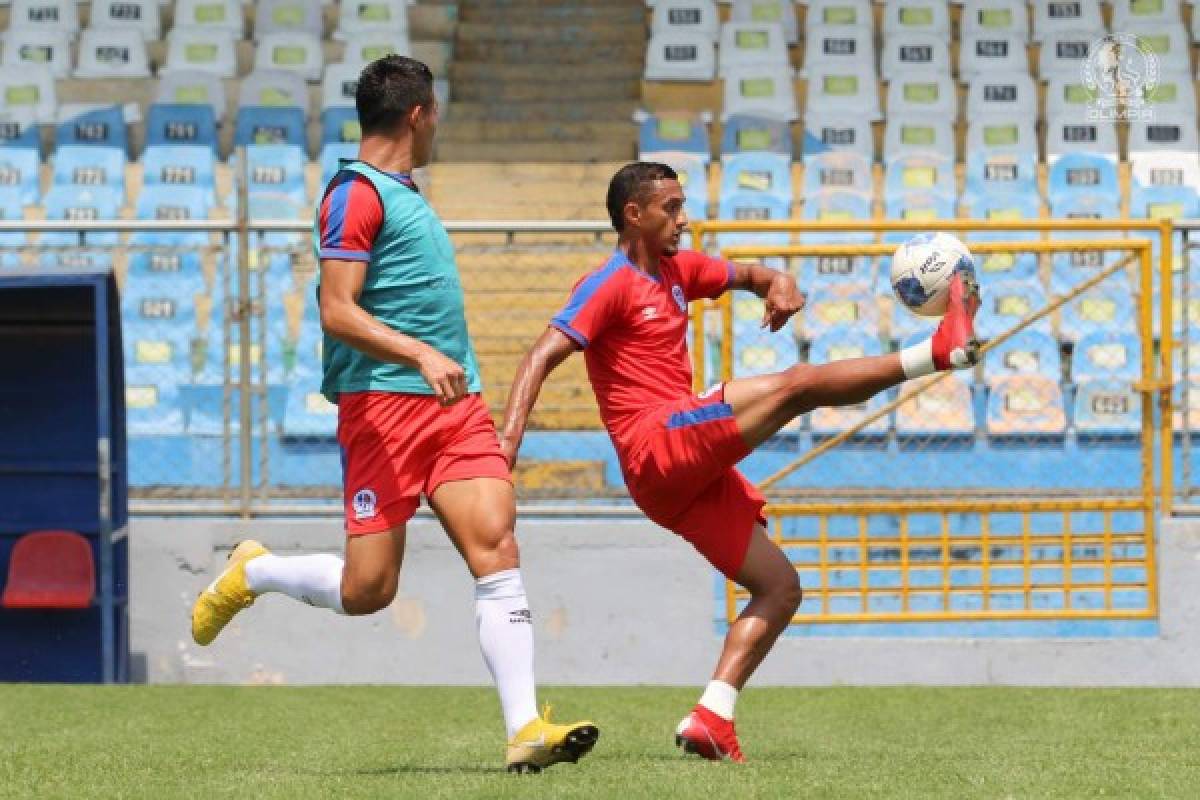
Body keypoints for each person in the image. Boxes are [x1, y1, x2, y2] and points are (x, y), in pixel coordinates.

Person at [190, 56, 598, 774]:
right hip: (384, 408)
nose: (437, 125)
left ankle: (525, 726)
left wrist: (453, 376)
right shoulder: (354, 194)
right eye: (436, 113)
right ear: (419, 115)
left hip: (453, 408)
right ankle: (254, 573)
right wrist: (418, 354)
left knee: (497, 545)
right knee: (369, 590)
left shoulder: (405, 194)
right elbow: (336, 310)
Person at [498, 162, 980, 763]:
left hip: (680, 481)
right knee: (795, 385)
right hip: (655, 444)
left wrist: (776, 282)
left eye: (682, 205)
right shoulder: (607, 284)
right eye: (671, 208)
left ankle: (712, 717)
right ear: (634, 216)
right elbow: (539, 357)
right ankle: (938, 349)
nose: (684, 218)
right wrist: (506, 447)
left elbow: (748, 274)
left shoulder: (680, 270)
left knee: (779, 588)